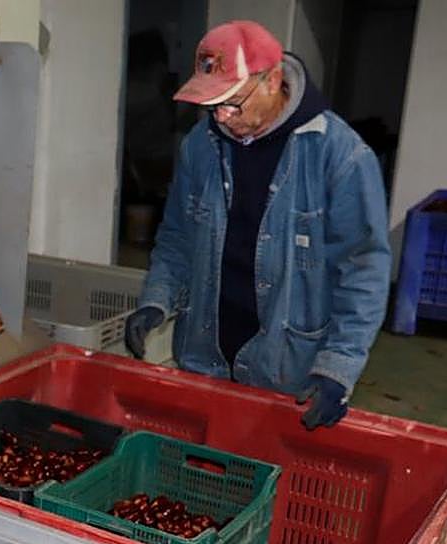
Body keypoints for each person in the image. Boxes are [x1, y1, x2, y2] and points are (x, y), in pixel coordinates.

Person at [124, 20, 390, 430]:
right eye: (213, 106)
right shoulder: (201, 145)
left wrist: (337, 367)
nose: (224, 118)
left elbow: (363, 271)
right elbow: (177, 236)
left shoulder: (341, 157)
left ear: (273, 81)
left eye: (233, 103)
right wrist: (155, 300)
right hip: (206, 350)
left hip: (285, 365)